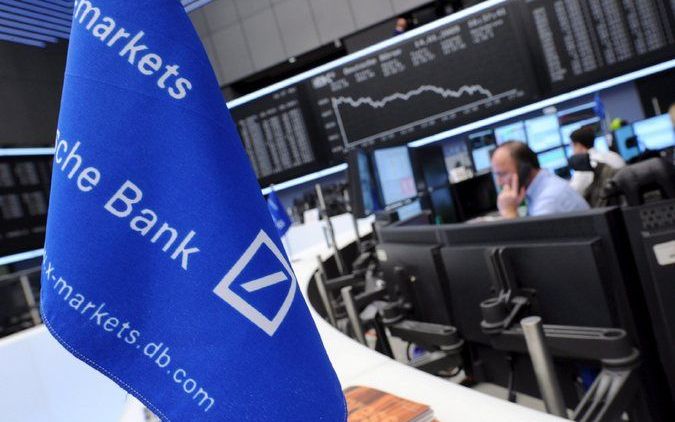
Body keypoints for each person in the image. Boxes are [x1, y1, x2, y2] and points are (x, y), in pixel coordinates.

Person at [491, 141, 589, 218]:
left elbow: (529, 243)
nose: (500, 182)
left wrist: (509, 213)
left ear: (524, 169)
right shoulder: (541, 188)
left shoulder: (548, 200)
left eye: (502, 174)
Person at [568, 126, 625, 194]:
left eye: (572, 146)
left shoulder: (585, 167)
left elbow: (573, 193)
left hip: (608, 202)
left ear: (578, 145)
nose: (572, 151)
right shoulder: (614, 155)